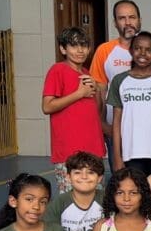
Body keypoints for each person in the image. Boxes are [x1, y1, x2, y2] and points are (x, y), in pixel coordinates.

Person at [90, 0, 151, 170]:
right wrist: (102, 125)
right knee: (124, 182)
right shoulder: (104, 50)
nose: (128, 22)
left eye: (132, 17)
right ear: (115, 22)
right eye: (122, 18)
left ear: (140, 20)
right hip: (119, 130)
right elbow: (99, 92)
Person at [42, 27, 105, 193]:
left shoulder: (86, 73)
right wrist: (79, 93)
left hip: (93, 148)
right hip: (69, 151)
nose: (80, 50)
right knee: (72, 201)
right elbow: (47, 106)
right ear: (63, 49)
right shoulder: (57, 70)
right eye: (74, 45)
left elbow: (95, 111)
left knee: (96, 202)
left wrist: (96, 89)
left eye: (84, 45)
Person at [108, 31, 151, 175]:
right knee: (135, 194)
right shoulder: (119, 81)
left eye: (149, 50)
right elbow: (117, 121)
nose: (142, 53)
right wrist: (117, 156)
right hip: (131, 151)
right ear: (131, 50)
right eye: (138, 48)